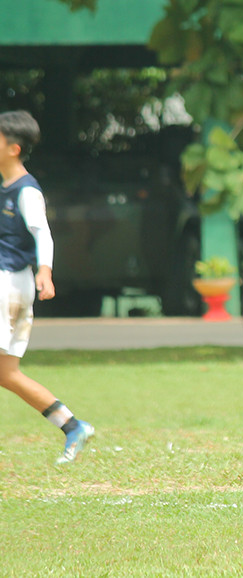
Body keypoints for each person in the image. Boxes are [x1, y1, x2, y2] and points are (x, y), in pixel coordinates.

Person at [0, 110, 95, 464]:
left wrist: (45, 270)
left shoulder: (25, 191)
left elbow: (42, 232)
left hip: (8, 283)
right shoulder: (5, 187)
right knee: (6, 374)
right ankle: (72, 426)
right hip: (12, 284)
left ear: (13, 148)